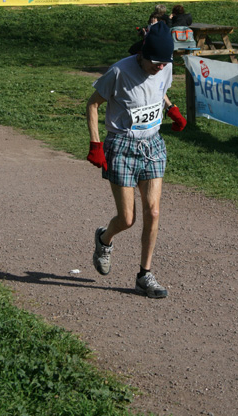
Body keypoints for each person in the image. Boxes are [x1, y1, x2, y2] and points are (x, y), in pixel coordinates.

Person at [86, 21, 186, 299]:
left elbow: (159, 89)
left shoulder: (164, 68)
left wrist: (171, 108)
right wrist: (95, 143)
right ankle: (104, 239)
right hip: (121, 146)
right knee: (128, 218)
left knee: (153, 212)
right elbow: (92, 104)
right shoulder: (119, 72)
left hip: (153, 144)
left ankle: (144, 275)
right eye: (155, 61)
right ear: (142, 53)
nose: (160, 67)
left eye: (165, 63)